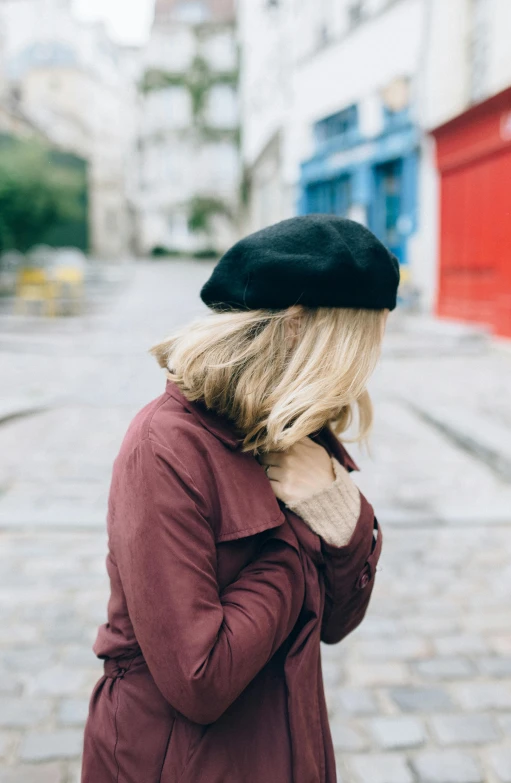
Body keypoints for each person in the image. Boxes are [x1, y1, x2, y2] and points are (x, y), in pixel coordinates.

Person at [81, 214, 400, 783]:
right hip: (174, 760)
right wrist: (293, 546)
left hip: (288, 744)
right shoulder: (166, 446)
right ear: (299, 328)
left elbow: (337, 621)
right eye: (358, 343)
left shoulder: (299, 426)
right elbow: (199, 679)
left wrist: (340, 512)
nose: (364, 367)